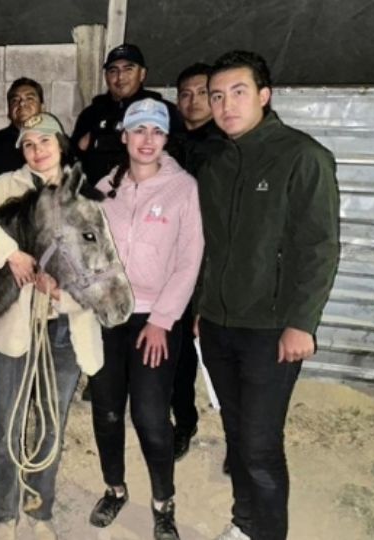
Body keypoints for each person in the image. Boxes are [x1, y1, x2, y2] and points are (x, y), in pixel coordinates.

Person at [197, 50, 340, 540]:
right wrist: (202, 308)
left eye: (238, 92)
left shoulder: (303, 156)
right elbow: (210, 246)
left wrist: (302, 321)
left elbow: (318, 246)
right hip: (218, 327)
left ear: (264, 95)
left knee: (259, 447)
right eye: (217, 96)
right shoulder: (215, 164)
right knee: (237, 439)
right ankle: (244, 524)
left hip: (270, 330)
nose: (226, 105)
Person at [0, 113, 100, 540]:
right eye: (28, 144)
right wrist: (10, 254)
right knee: (6, 422)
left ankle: (40, 508)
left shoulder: (85, 193)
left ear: (60, 143)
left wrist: (62, 293)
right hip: (16, 325)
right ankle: (3, 514)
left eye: (44, 141)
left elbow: (101, 261)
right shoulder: (8, 187)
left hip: (65, 326)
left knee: (52, 423)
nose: (36, 150)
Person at [86, 98, 202, 540]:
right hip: (109, 316)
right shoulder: (103, 188)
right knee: (107, 411)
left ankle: (163, 501)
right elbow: (90, 251)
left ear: (166, 137)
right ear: (125, 136)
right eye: (139, 130)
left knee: (152, 417)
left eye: (156, 131)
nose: (147, 140)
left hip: (156, 319)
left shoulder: (183, 188)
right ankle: (114, 489)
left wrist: (163, 320)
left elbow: (190, 260)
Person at [169, 61, 226, 460]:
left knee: (220, 354)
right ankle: (184, 422)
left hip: (214, 267)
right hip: (171, 266)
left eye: (202, 93)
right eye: (186, 94)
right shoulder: (166, 144)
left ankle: (238, 438)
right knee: (180, 354)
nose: (193, 101)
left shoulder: (228, 147)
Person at [71, 43, 184, 183]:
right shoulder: (91, 114)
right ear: (106, 76)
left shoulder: (163, 110)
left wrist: (100, 141)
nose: (120, 77)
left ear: (142, 74)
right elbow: (73, 157)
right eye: (113, 71)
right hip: (97, 197)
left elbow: (177, 152)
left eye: (128, 69)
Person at [0, 77, 45, 185]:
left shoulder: (57, 141)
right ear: (9, 111)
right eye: (15, 100)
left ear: (43, 108)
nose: (21, 104)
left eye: (29, 98)